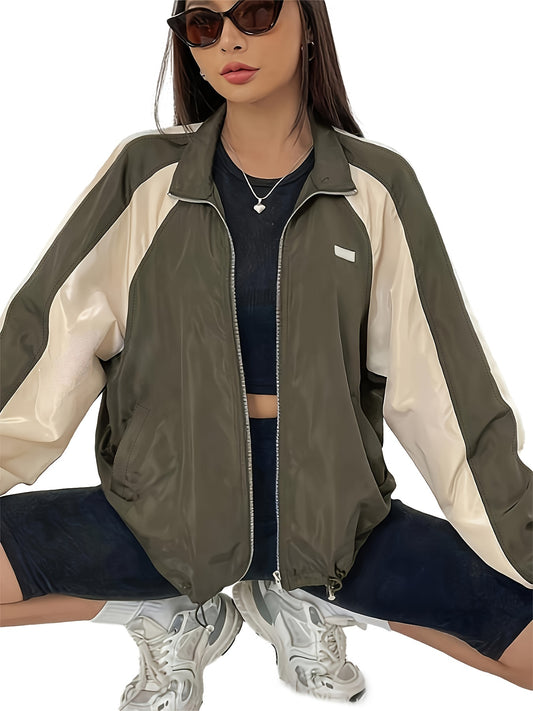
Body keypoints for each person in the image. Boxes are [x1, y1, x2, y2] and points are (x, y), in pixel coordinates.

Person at [1, 1, 532, 709]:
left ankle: (317, 601)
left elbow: (445, 385)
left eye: (254, 13)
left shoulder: (376, 188)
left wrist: (521, 539)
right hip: (161, 521)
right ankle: (162, 610)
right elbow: (46, 340)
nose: (228, 40)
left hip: (335, 531)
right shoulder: (147, 175)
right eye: (203, 25)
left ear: (307, 22)